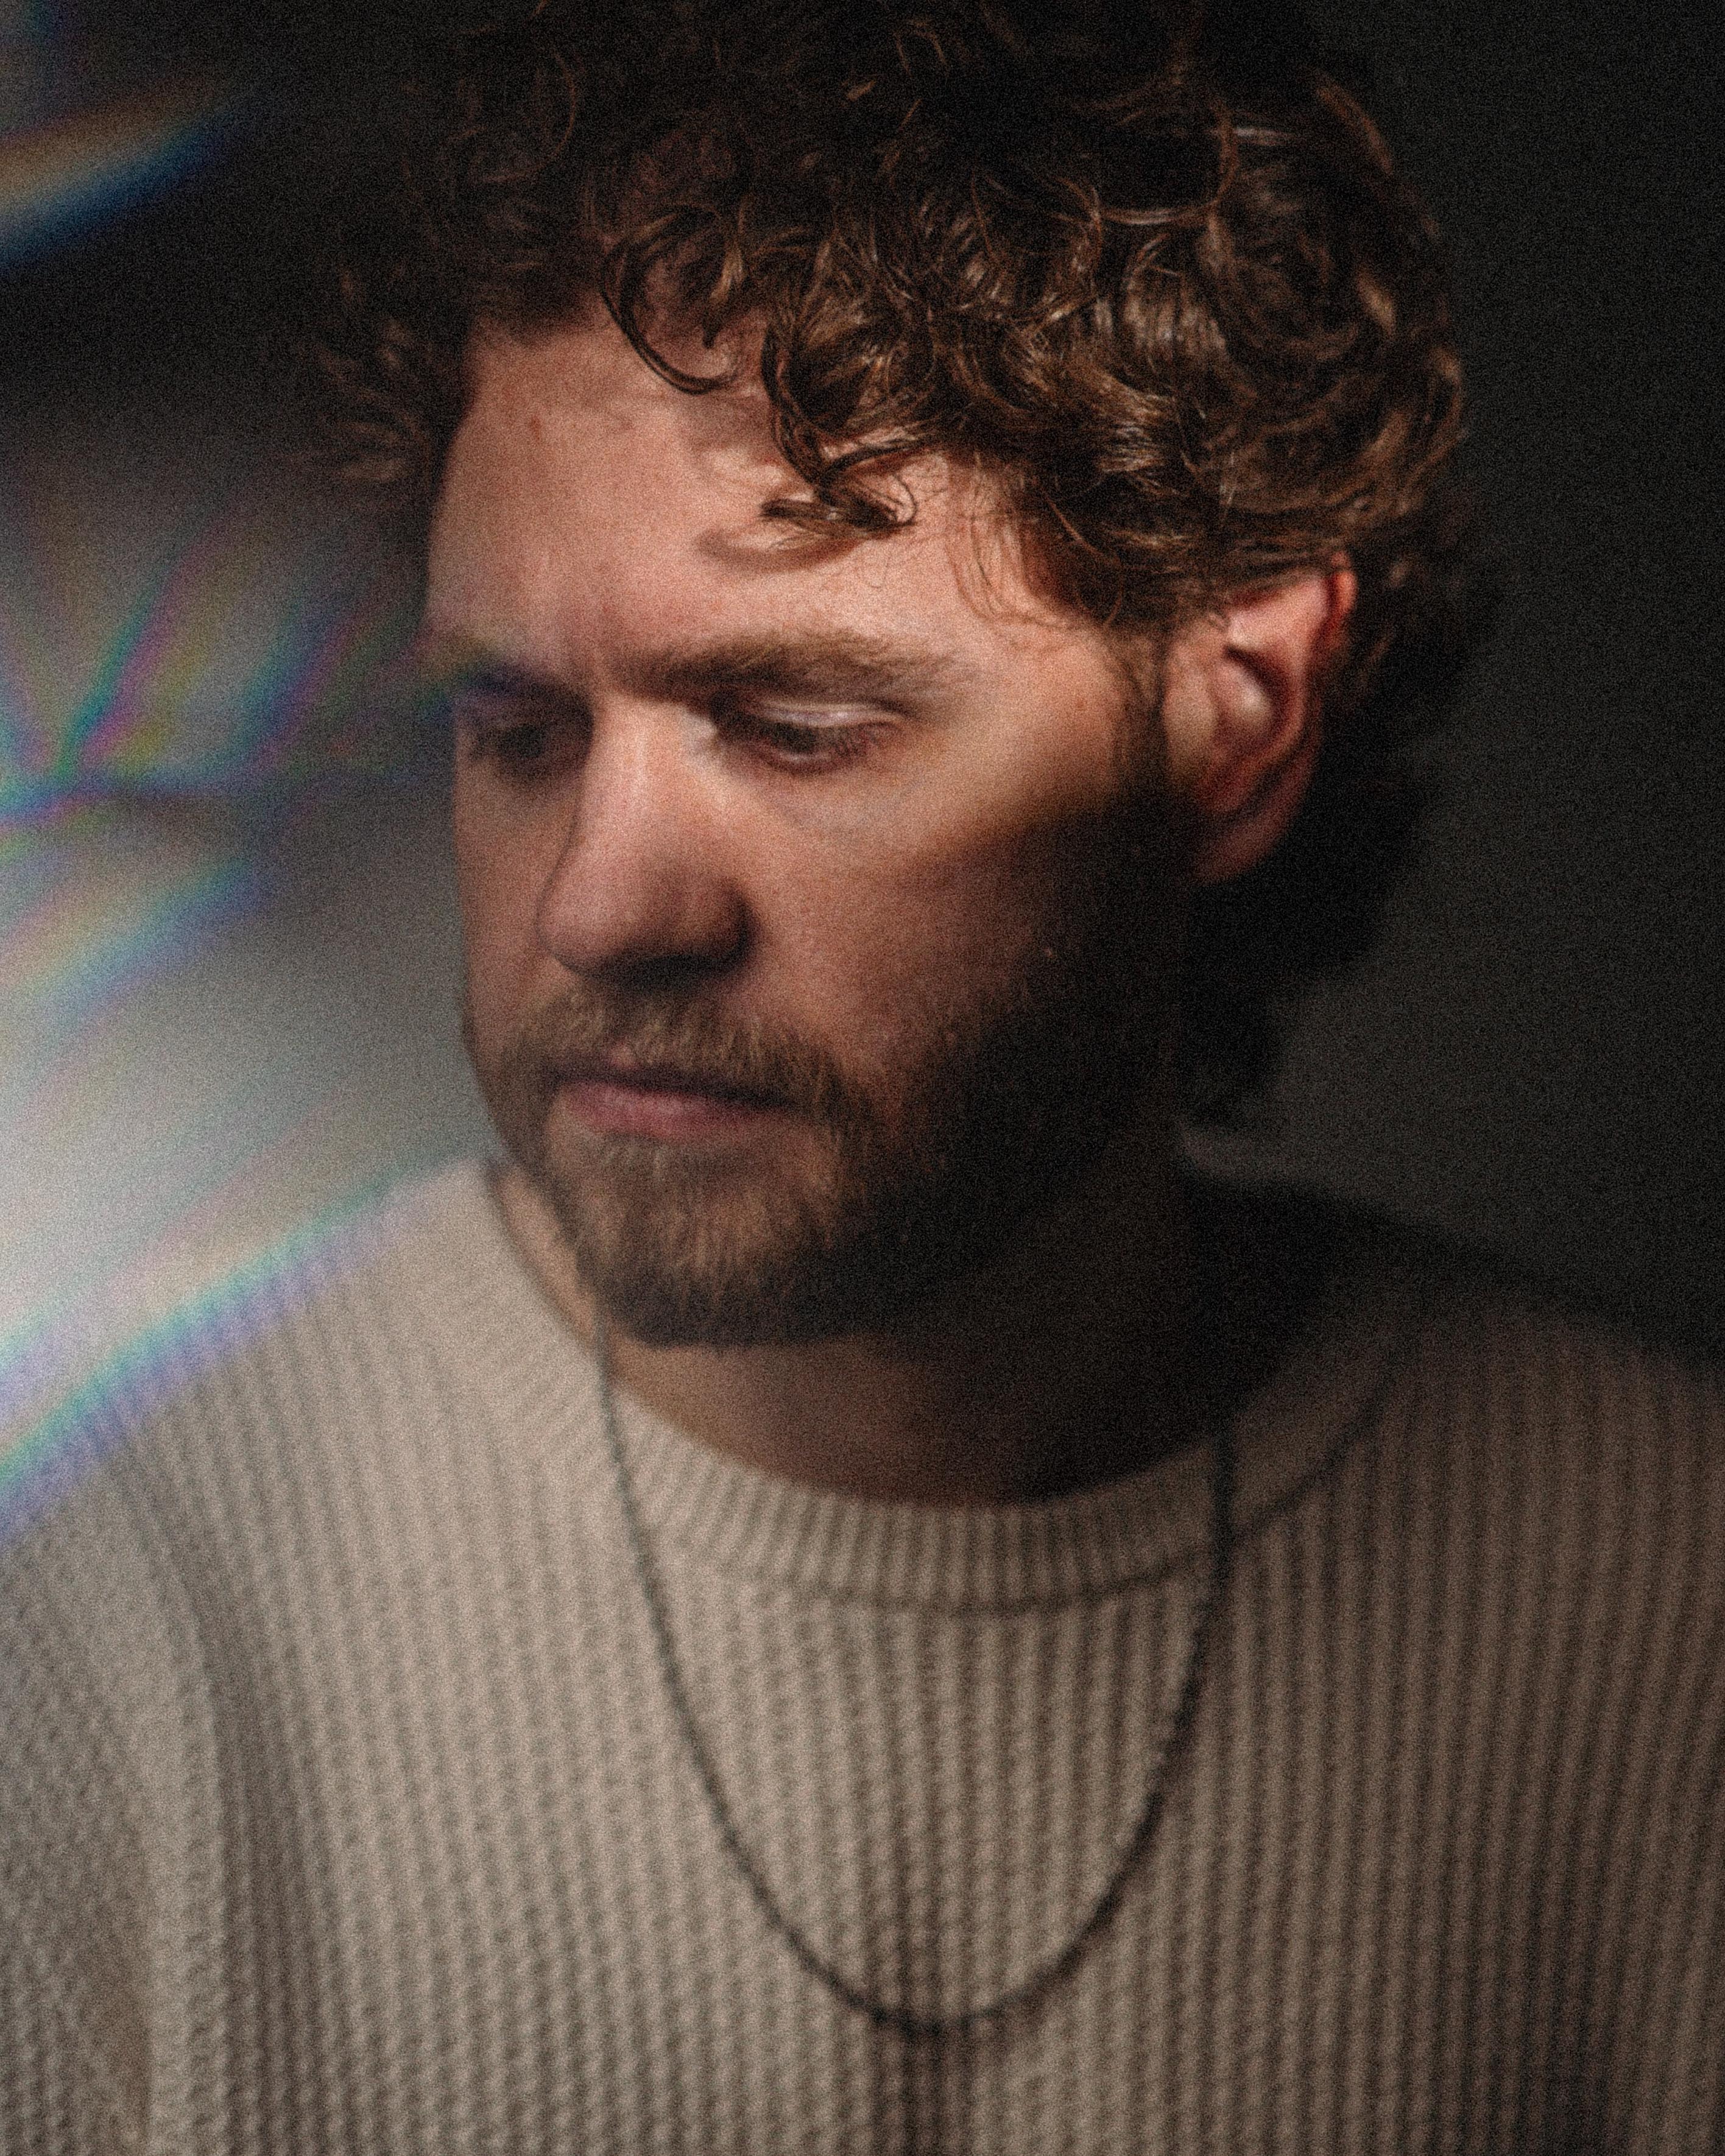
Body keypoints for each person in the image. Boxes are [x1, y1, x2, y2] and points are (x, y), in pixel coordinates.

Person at [3, 2, 1721, 2151]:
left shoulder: (1669, 1612)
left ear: (1242, 719)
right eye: (519, 730)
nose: (600, 911)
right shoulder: (113, 1635)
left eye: (799, 726)